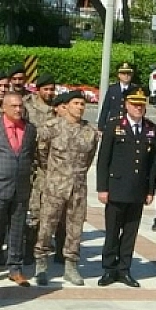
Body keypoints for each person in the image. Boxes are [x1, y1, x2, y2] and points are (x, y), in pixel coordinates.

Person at [33, 89, 101, 285]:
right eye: (76, 104)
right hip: (55, 185)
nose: (79, 108)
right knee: (46, 225)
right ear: (66, 106)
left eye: (82, 104)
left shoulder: (90, 131)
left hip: (78, 187)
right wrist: (54, 173)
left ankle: (71, 266)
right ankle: (41, 265)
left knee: (75, 228)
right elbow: (41, 153)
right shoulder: (52, 127)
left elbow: (88, 159)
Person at [95, 90, 156, 287]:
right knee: (112, 231)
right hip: (117, 187)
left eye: (141, 104)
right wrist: (102, 188)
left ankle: (124, 269)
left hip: (137, 190)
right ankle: (109, 269)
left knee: (130, 232)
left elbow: (153, 162)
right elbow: (104, 159)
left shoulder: (150, 128)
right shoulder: (115, 126)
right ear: (126, 105)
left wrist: (150, 190)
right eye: (134, 104)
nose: (138, 108)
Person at [0, 90, 36, 287]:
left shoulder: (30, 129)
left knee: (17, 230)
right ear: (3, 108)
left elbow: (31, 156)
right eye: (13, 106)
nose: (18, 109)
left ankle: (15, 268)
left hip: (20, 188)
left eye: (20, 105)